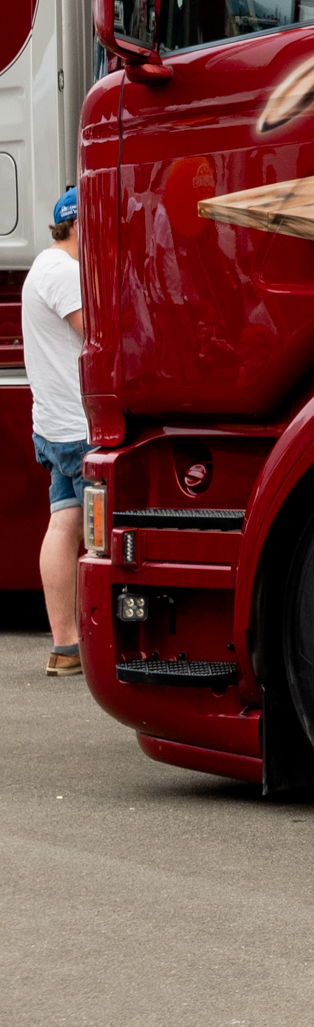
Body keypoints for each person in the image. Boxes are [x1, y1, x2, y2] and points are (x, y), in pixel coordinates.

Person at [25, 186, 85, 676]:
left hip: (52, 421)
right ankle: (101, 644)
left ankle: (65, 645)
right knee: (101, 534)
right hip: (79, 425)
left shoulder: (40, 268)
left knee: (63, 522)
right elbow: (98, 332)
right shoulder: (65, 271)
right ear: (79, 224)